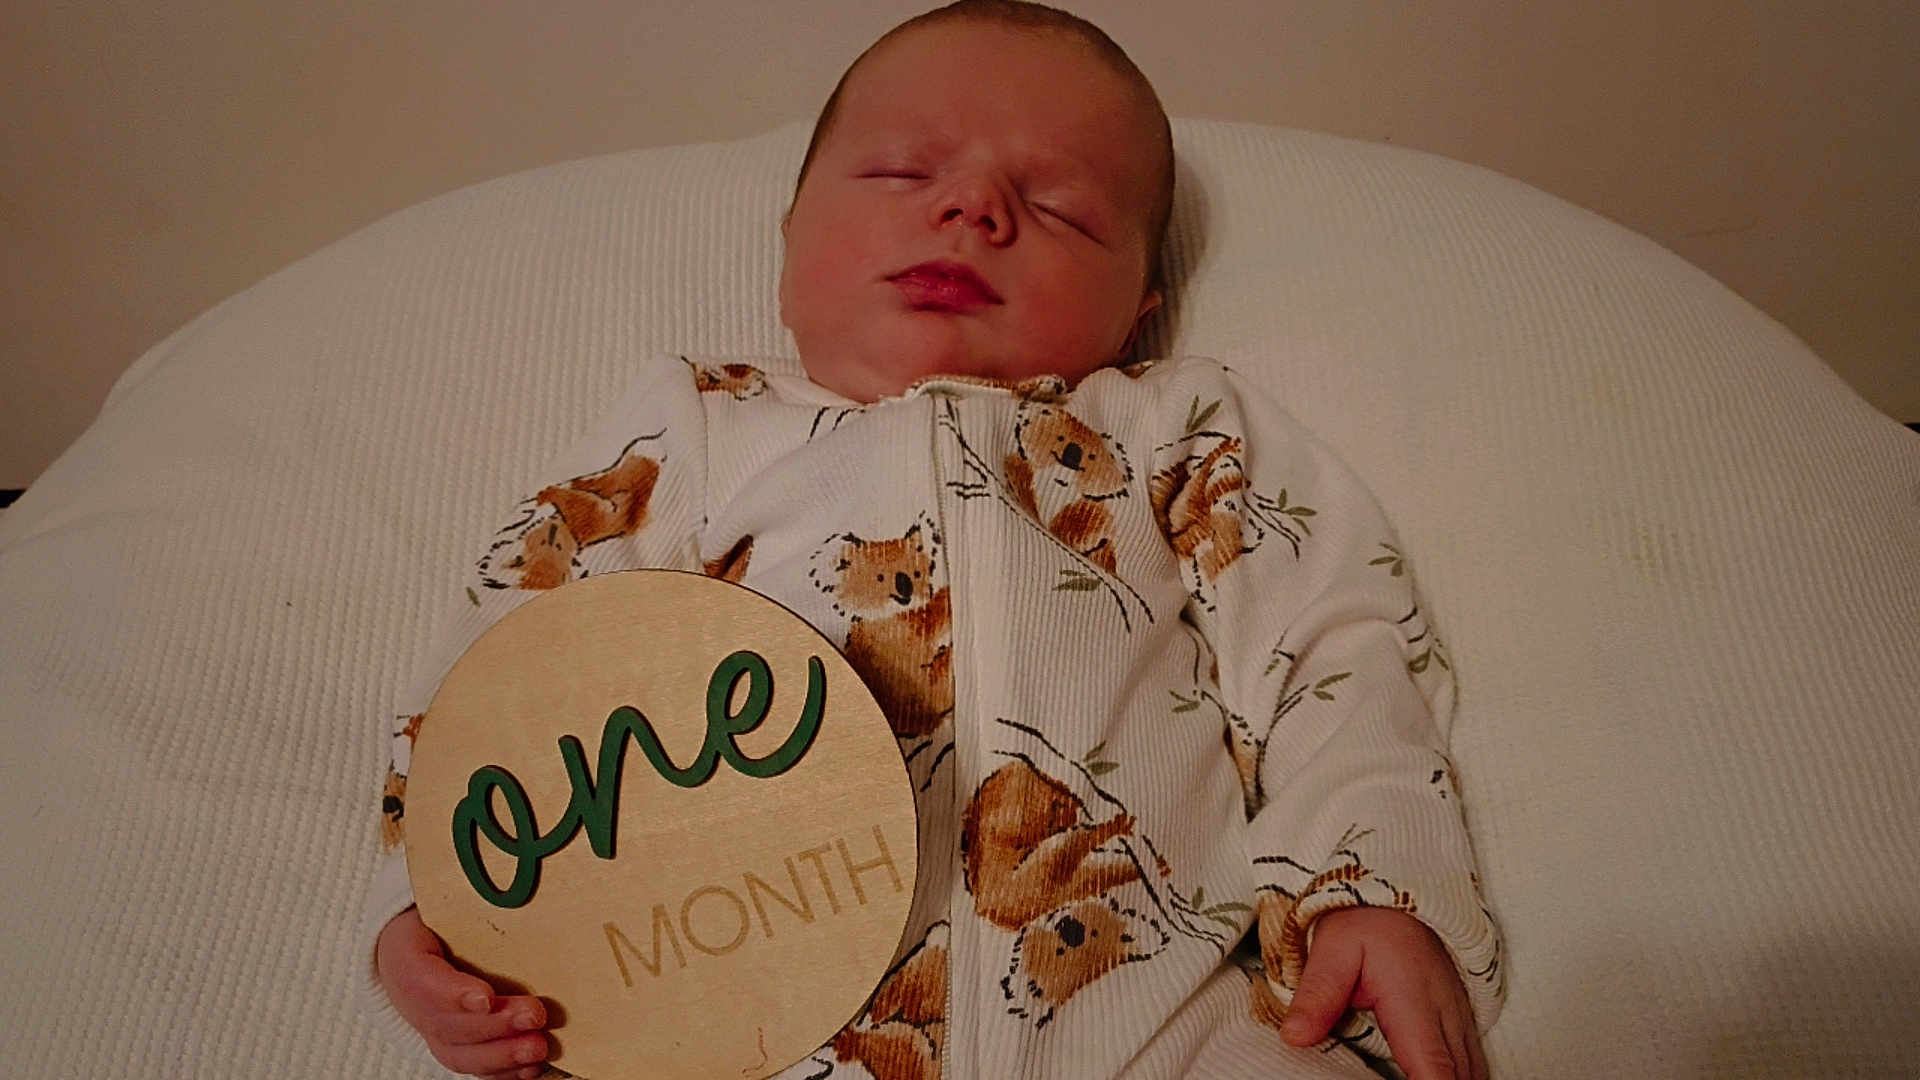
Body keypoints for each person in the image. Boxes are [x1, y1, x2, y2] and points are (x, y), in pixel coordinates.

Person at [364, 3, 1505, 1078]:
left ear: (1139, 307)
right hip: (746, 1019)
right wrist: (440, 900)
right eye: (904, 172)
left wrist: (1369, 882)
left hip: (1161, 1018)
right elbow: (520, 649)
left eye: (1059, 209)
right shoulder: (698, 428)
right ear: (789, 240)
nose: (972, 209)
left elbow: (1328, 641)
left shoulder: (1172, 430)